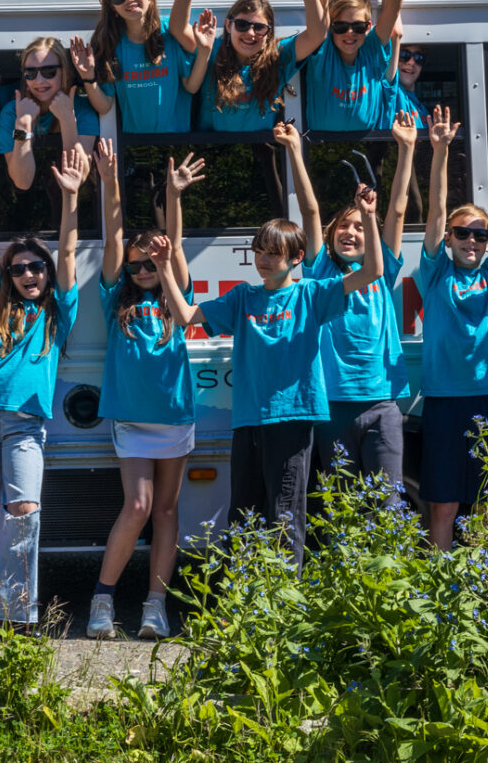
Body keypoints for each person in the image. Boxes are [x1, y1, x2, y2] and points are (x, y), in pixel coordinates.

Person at [153, 193, 385, 566]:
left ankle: (284, 611)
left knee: (285, 515)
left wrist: (371, 218)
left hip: (293, 418)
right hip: (249, 419)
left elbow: (373, 270)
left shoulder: (312, 293)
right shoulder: (242, 297)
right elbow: (185, 316)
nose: (263, 260)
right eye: (259, 251)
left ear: (295, 259)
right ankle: (245, 598)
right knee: (243, 514)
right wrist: (164, 267)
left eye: (273, 253)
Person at [0, 141, 86, 632]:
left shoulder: (59, 309)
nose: (29, 274)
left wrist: (72, 198)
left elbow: (69, 247)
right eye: (20, 268)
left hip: (25, 422)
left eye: (37, 267)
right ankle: (1, 612)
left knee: (24, 511)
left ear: (48, 273)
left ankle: (18, 612)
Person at [88, 139, 205, 641]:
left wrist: (174, 197)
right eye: (136, 265)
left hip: (175, 417)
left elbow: (173, 246)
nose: (142, 270)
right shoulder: (115, 297)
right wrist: (110, 182)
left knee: (166, 511)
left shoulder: (177, 293)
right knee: (136, 507)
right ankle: (102, 600)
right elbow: (114, 240)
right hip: (133, 421)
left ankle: (155, 605)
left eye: (149, 265)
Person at [288, 114, 417, 497]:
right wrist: (296, 150)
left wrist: (406, 149)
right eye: (344, 226)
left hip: (382, 402)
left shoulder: (382, 268)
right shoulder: (321, 271)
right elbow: (310, 211)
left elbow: (397, 210)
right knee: (342, 504)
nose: (351, 232)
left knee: (387, 500)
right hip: (333, 403)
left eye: (360, 227)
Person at [415, 107, 488, 550]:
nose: (471, 241)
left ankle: (483, 591)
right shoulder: (436, 273)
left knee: (485, 503)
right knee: (444, 505)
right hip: (442, 401)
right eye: (463, 233)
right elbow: (436, 212)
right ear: (449, 239)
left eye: (480, 235)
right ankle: (444, 591)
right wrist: (439, 152)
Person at [198, 0, 335, 133]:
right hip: (214, 152)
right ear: (228, 25)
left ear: (269, 32)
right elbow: (177, 31)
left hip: (260, 153)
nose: (250, 33)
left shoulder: (277, 56)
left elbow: (318, 34)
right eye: (242, 25)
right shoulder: (212, 48)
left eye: (259, 27)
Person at [78, 0, 213, 136]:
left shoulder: (169, 33)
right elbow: (104, 105)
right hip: (134, 148)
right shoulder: (109, 43)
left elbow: (191, 86)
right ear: (112, 5)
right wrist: (88, 77)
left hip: (177, 141)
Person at [304, 0, 414, 133]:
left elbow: (392, 11)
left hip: (369, 153)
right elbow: (323, 15)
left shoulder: (371, 51)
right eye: (341, 27)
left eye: (358, 27)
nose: (350, 33)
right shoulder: (325, 54)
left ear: (369, 26)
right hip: (320, 153)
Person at [0, 38, 101, 191]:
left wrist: (67, 120)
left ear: (65, 72)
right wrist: (23, 126)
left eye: (49, 71)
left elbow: (80, 175)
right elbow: (23, 181)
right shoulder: (13, 112)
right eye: (30, 73)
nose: (39, 80)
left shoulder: (82, 109)